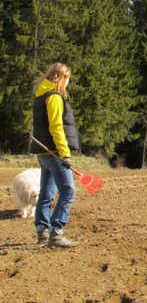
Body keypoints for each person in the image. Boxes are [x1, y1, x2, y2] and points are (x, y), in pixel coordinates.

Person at [30, 62, 80, 248]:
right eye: (68, 79)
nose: (68, 84)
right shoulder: (53, 97)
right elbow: (56, 127)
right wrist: (65, 154)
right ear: (62, 77)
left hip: (43, 153)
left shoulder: (41, 94)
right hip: (54, 153)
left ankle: (42, 232)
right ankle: (56, 234)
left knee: (46, 194)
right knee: (68, 191)